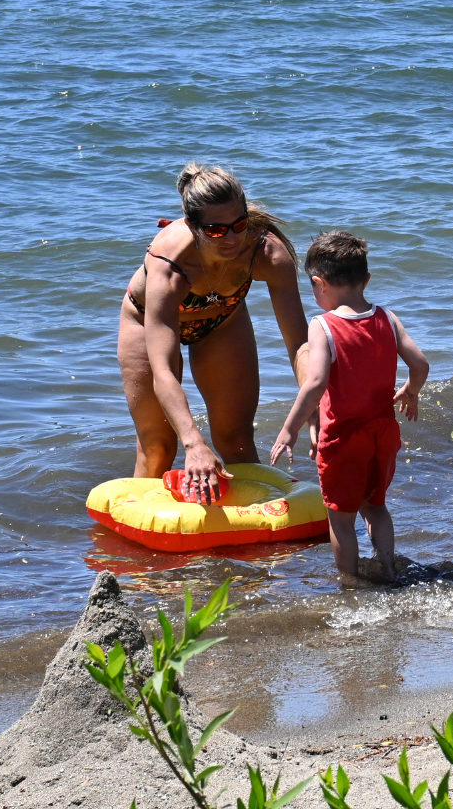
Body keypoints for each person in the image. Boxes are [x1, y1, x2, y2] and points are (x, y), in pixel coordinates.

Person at [118, 163, 309, 499]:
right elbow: (163, 372)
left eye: (239, 224)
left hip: (223, 320)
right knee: (159, 447)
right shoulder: (170, 266)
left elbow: (299, 342)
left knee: (236, 440)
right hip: (147, 320)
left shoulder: (267, 253)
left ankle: (263, 542)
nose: (233, 238)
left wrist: (317, 407)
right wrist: (194, 444)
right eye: (218, 231)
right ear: (193, 226)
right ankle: (137, 545)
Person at [269, 230, 428, 580]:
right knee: (376, 508)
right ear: (366, 279)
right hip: (383, 432)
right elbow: (420, 365)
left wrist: (289, 428)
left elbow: (315, 383)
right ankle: (389, 569)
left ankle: (350, 583)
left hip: (344, 438)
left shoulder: (323, 326)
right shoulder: (386, 317)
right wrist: (410, 391)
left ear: (318, 282)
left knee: (341, 519)